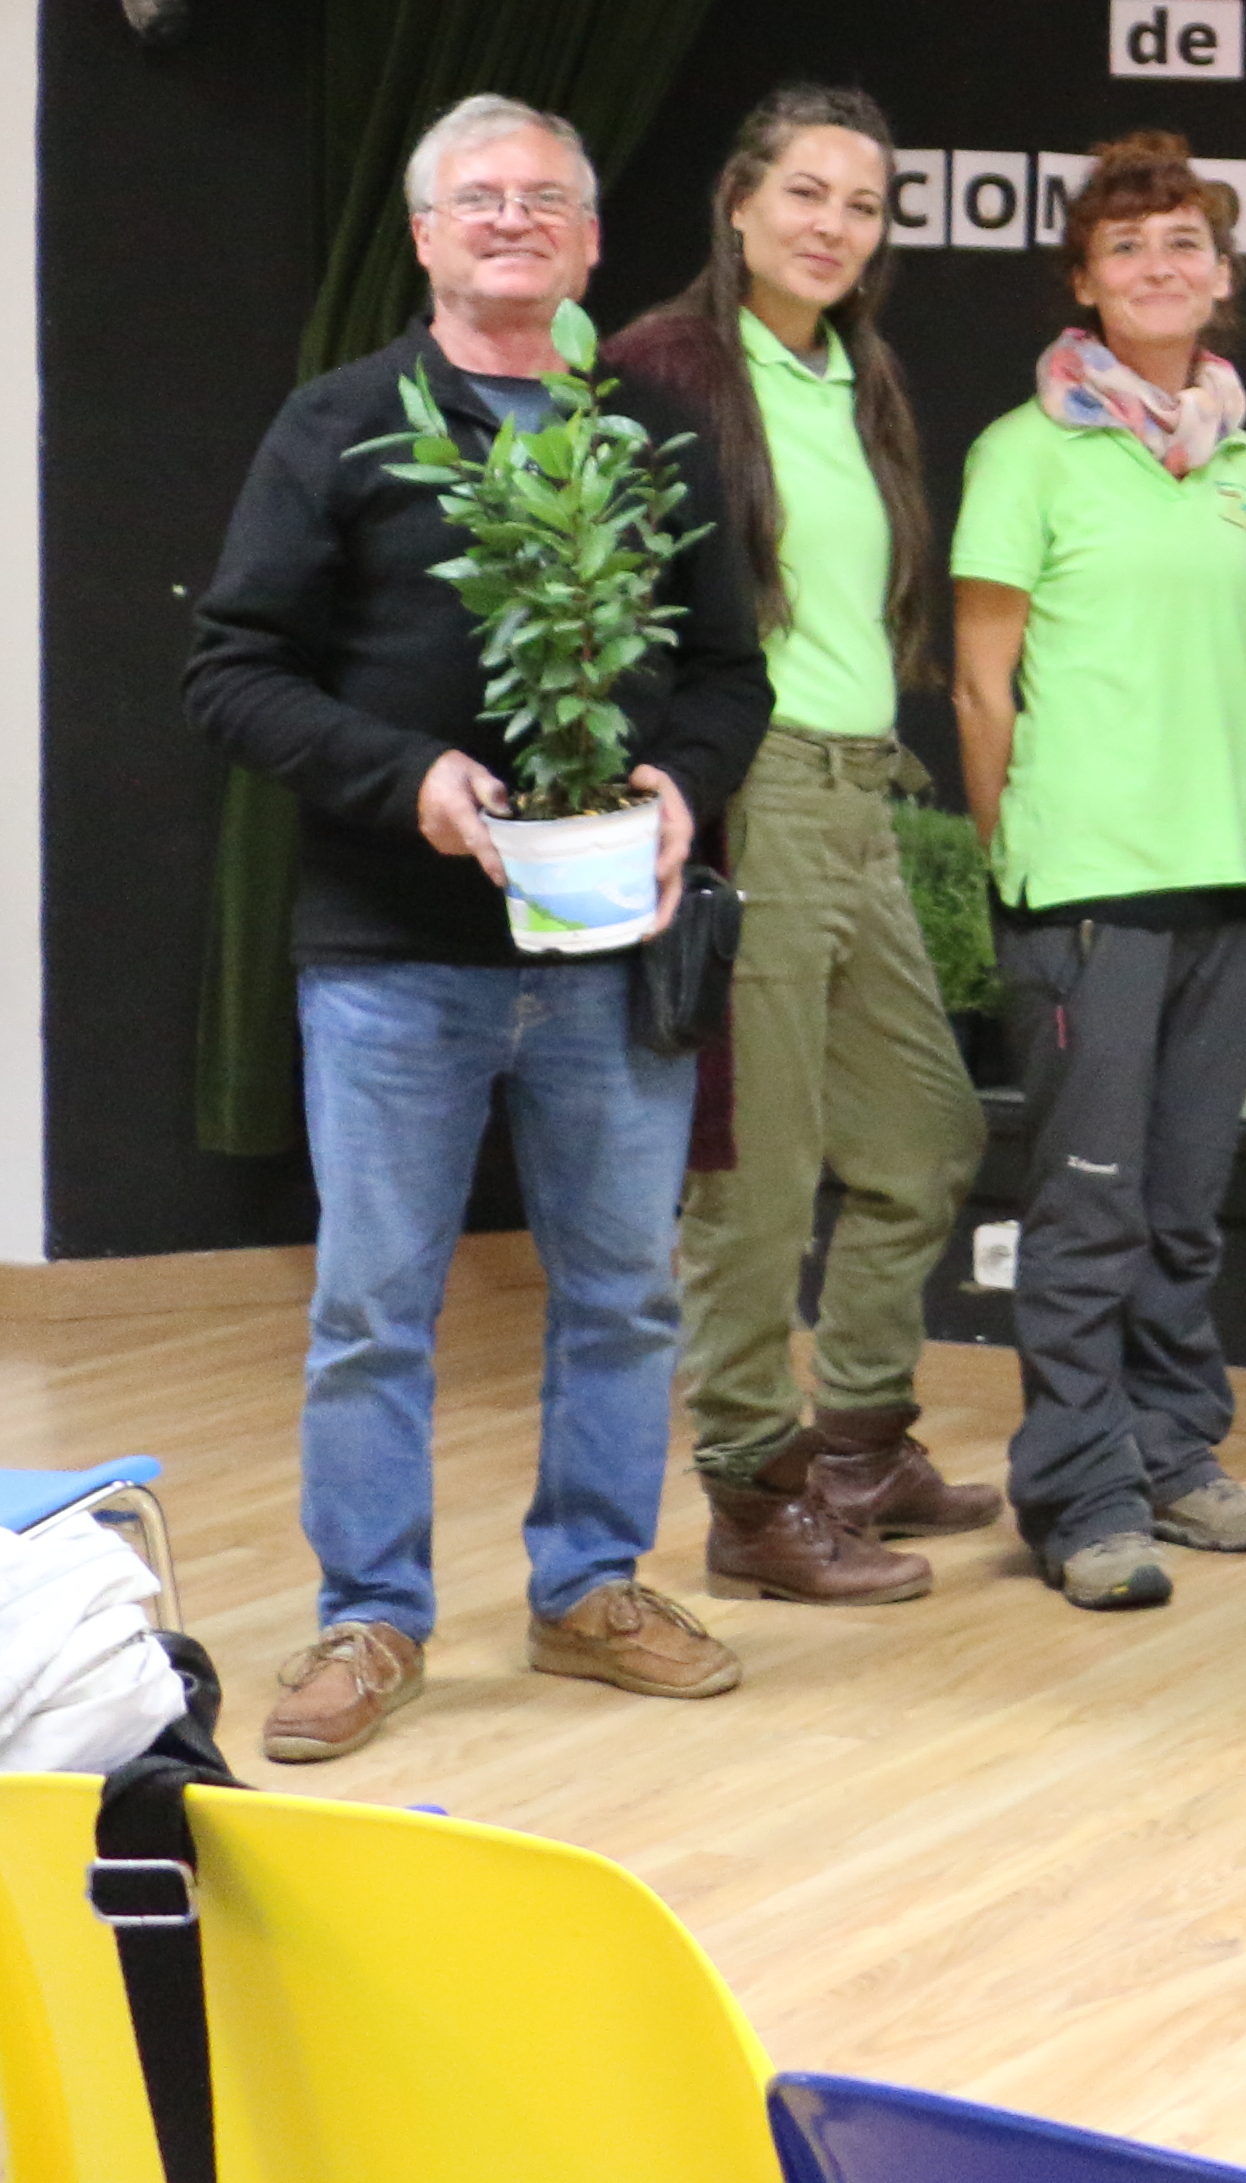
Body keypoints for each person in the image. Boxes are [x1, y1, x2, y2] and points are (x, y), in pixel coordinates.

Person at [185, 93, 769, 1764]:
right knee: (375, 1304)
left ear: (589, 245)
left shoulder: (652, 435)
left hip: (607, 961)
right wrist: (408, 779)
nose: (514, 220)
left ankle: (591, 1590)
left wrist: (677, 787)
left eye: (548, 202)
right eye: (480, 198)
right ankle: (372, 1619)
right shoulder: (341, 427)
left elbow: (731, 672)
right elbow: (229, 673)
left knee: (622, 1294)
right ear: (429, 238)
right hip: (389, 958)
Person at [607, 87, 998, 1613]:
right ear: (740, 201)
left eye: (863, 206)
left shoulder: (858, 372)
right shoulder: (665, 366)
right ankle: (753, 1498)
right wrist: (668, 791)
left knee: (925, 1141)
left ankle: (863, 1443)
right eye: (809, 195)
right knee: (755, 1182)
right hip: (745, 790)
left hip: (859, 795)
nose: (835, 226)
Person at [954, 131, 1246, 1614]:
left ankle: (1175, 1449)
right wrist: (1016, 863)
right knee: (1089, 1208)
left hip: (1235, 871)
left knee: (1183, 1203)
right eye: (1129, 248)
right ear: (1084, 283)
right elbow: (981, 687)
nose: (1160, 268)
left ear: (1220, 279)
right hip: (1089, 884)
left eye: (1185, 245)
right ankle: (1079, 1491)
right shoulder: (1022, 452)